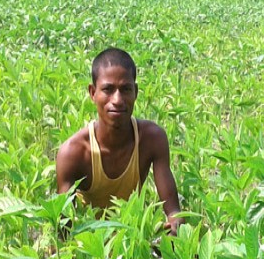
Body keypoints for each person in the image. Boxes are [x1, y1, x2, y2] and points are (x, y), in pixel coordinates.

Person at [56, 48, 183, 235]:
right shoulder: (73, 153)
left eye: (126, 89)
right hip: (91, 244)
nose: (117, 100)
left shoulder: (152, 139)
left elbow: (173, 211)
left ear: (136, 92)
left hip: (132, 236)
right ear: (92, 93)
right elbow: (64, 230)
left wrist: (174, 228)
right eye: (108, 90)